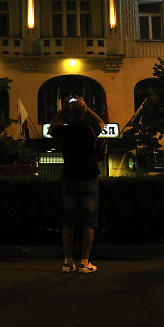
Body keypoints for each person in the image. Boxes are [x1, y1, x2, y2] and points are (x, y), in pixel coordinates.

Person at [49, 96, 105, 274]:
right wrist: (86, 107)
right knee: (89, 221)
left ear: (69, 114)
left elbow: (52, 127)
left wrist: (64, 111)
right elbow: (101, 122)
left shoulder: (63, 131)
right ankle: (84, 261)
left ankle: (67, 262)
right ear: (83, 114)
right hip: (89, 177)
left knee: (68, 222)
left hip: (70, 177)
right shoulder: (90, 130)